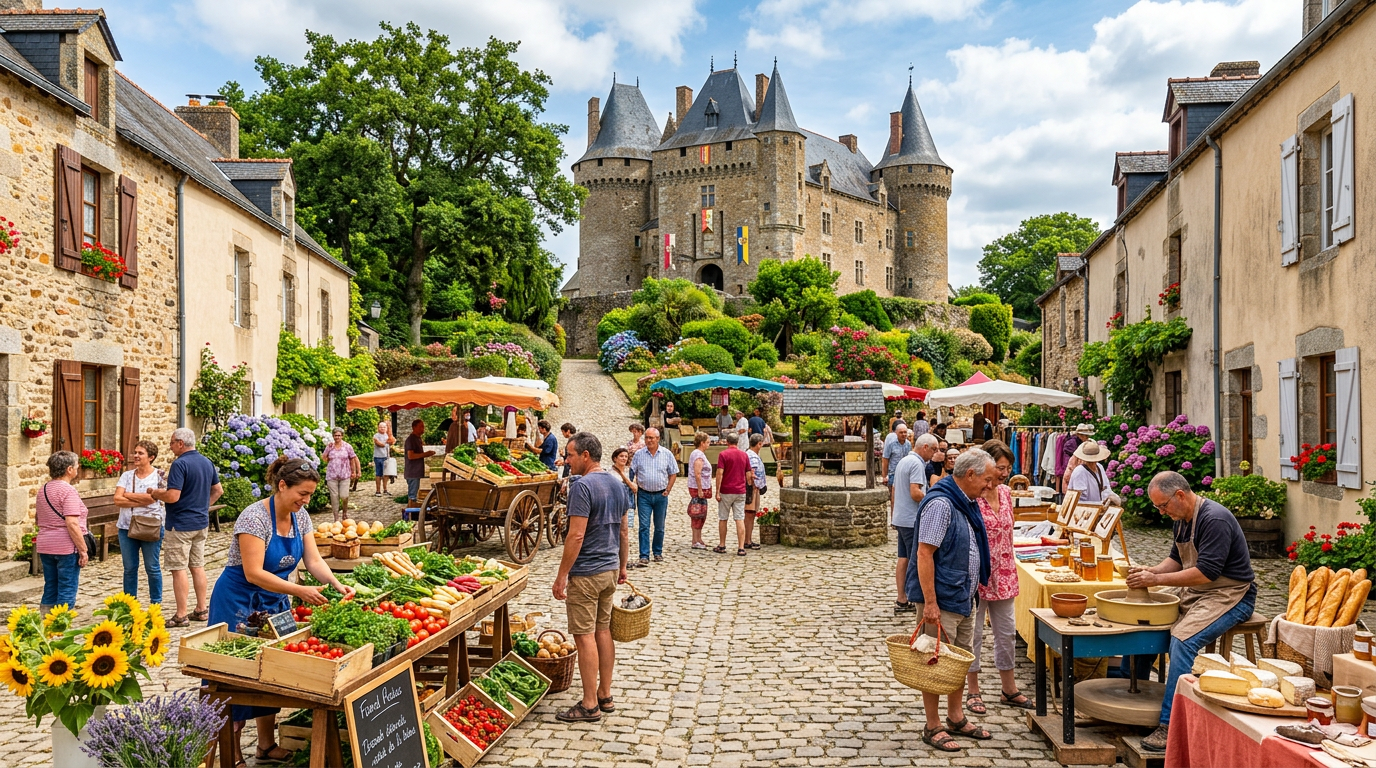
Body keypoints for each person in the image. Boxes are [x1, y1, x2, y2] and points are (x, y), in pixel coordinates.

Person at [208, 457, 355, 765]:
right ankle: (232, 753)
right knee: (237, 678)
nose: (306, 500)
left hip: (274, 600)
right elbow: (253, 573)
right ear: (282, 485)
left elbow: (313, 561)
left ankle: (265, 745)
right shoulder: (254, 518)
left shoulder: (301, 518)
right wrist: (299, 591)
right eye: (302, 493)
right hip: (239, 602)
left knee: (272, 673)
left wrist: (336, 584)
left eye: (311, 494)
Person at [1132, 471, 1257, 752]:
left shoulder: (1214, 519)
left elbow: (1207, 573)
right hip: (1198, 591)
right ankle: (1134, 695)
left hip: (1231, 594)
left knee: (1183, 640)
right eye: (1157, 508)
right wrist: (1149, 571)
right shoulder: (1182, 518)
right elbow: (1176, 560)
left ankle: (1170, 724)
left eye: (1163, 506)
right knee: (1149, 618)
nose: (1162, 512)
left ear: (1180, 495)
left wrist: (1157, 580)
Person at [908, 448, 997, 752]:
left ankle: (956, 717)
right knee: (934, 661)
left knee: (958, 661)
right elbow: (924, 553)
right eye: (986, 479)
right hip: (942, 600)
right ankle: (932, 726)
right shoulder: (942, 503)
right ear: (969, 475)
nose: (990, 484)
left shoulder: (966, 501)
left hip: (962, 597)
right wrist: (930, 603)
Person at [552, 432, 630, 723]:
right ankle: (605, 694)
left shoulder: (582, 487)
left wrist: (562, 576)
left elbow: (576, 534)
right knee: (603, 631)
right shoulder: (617, 483)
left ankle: (588, 704)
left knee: (584, 636)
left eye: (570, 455)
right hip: (609, 569)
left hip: (586, 572)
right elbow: (623, 531)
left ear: (586, 455)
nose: (567, 460)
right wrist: (622, 567)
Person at [965, 440, 1033, 713]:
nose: (1004, 473)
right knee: (974, 634)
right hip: (977, 572)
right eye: (1000, 468)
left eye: (1008, 468)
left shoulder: (1005, 493)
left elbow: (1008, 530)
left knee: (1006, 632)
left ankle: (1009, 688)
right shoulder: (973, 494)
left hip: (1004, 570)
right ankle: (973, 690)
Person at [151, 428, 223, 628]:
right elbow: (218, 490)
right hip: (200, 523)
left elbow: (173, 496)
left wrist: (157, 494)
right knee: (197, 566)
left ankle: (181, 614)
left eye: (172, 442)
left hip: (180, 524)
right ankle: (201, 609)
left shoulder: (180, 464)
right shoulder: (206, 462)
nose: (170, 445)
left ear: (181, 443)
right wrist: (203, 506)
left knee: (178, 568)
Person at [113, 440, 165, 603]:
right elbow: (117, 499)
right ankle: (130, 603)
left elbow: (152, 499)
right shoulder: (127, 475)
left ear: (151, 457)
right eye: (135, 452)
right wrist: (143, 499)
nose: (135, 455)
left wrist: (127, 494)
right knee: (129, 568)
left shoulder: (160, 476)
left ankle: (155, 602)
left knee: (152, 567)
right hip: (126, 527)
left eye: (140, 453)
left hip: (151, 526)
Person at [36, 451, 87, 614]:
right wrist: (83, 550)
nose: (78, 468)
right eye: (77, 465)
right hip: (65, 547)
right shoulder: (68, 491)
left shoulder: (42, 490)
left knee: (50, 586)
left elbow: (38, 519)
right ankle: (61, 627)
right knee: (67, 587)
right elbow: (72, 523)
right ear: (69, 469)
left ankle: (46, 624)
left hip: (45, 545)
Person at [892, 434, 937, 614]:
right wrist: (933, 500)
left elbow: (895, 489)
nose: (934, 454)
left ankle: (901, 598)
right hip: (911, 519)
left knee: (903, 558)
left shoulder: (904, 461)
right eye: (933, 449)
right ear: (924, 447)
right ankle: (916, 598)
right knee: (918, 560)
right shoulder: (917, 463)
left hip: (901, 517)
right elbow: (915, 492)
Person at [629, 427, 677, 566]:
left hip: (661, 495)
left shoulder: (667, 454)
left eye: (652, 438)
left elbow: (673, 472)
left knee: (659, 526)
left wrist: (668, 489)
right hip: (644, 495)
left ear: (658, 439)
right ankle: (644, 555)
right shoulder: (639, 454)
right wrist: (633, 486)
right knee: (644, 526)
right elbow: (632, 471)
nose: (649, 440)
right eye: (647, 438)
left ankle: (657, 552)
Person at [714, 436, 749, 556]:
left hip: (726, 490)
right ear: (737, 442)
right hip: (740, 491)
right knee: (739, 518)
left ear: (727, 442)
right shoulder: (744, 455)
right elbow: (748, 474)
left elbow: (720, 473)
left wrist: (717, 491)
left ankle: (722, 545)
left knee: (723, 518)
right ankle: (741, 547)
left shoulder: (723, 455)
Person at [322, 428, 360, 522]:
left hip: (345, 475)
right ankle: (336, 518)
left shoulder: (347, 446)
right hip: (332, 476)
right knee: (334, 497)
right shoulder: (330, 446)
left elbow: (352, 459)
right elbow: (324, 457)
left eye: (339, 435)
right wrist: (328, 460)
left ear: (342, 436)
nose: (337, 437)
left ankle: (344, 512)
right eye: (335, 435)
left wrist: (354, 471)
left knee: (344, 495)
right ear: (333, 436)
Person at [685, 432, 713, 550]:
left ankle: (698, 538)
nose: (708, 445)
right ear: (702, 443)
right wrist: (700, 489)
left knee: (701, 514)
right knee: (698, 514)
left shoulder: (698, 454)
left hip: (701, 487)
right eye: (707, 442)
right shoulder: (698, 455)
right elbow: (697, 473)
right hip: (698, 488)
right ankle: (695, 540)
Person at [744, 433, 768, 549]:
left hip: (752, 488)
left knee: (750, 514)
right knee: (750, 514)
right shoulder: (752, 456)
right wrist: (754, 485)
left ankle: (747, 539)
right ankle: (747, 540)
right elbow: (751, 473)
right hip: (752, 489)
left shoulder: (748, 453)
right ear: (759, 444)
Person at [403, 419, 435, 506]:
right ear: (414, 427)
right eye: (421, 427)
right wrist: (425, 454)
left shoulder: (418, 439)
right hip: (412, 472)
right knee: (412, 497)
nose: (423, 429)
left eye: (423, 427)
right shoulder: (411, 440)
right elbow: (411, 456)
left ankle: (412, 512)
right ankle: (410, 515)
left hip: (416, 472)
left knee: (414, 495)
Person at [1058, 423, 1094, 492]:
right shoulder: (1071, 443)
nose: (1087, 437)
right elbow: (1069, 463)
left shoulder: (1083, 443)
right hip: (1072, 473)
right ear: (1079, 435)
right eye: (1085, 435)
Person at [883, 423, 912, 492]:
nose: (903, 434)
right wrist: (884, 476)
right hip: (893, 473)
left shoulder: (908, 444)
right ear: (896, 433)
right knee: (893, 494)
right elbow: (885, 459)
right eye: (901, 432)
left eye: (905, 432)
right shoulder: (891, 444)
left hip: (905, 473)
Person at [372, 420, 395, 497]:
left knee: (386, 474)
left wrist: (390, 441)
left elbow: (393, 442)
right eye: (381, 427)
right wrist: (387, 442)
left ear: (386, 428)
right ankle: (378, 491)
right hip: (378, 457)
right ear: (378, 428)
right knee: (378, 474)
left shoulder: (388, 436)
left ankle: (385, 490)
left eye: (384, 427)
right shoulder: (376, 436)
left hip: (386, 457)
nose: (382, 428)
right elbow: (379, 444)